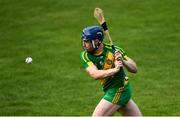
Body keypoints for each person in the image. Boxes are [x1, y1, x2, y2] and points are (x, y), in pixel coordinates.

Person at [80, 25, 142, 116]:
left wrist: (123, 61)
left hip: (120, 89)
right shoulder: (85, 55)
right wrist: (115, 69)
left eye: (87, 41)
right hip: (110, 89)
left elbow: (134, 69)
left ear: (97, 42)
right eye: (83, 41)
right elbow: (94, 74)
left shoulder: (114, 50)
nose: (84, 44)